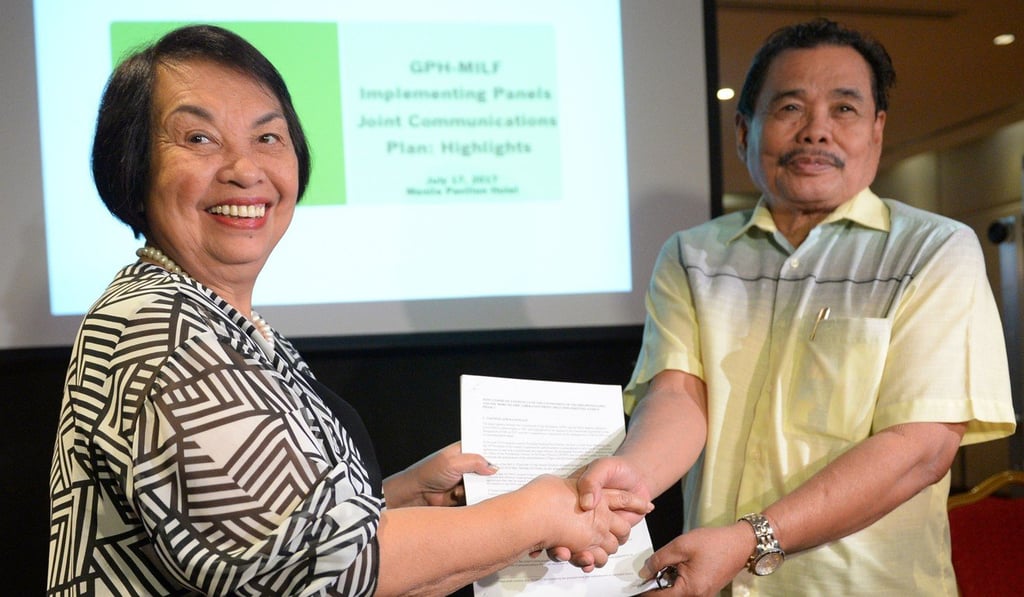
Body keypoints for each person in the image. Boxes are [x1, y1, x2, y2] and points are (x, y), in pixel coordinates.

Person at [47, 25, 650, 596]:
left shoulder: (218, 319)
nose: (245, 169)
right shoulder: (161, 331)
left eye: (268, 137)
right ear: (130, 164)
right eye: (199, 138)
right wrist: (539, 511)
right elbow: (328, 565)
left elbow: (294, 545)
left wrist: (403, 501)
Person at [568, 18, 1017, 596]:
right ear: (743, 129)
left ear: (877, 130)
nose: (816, 132)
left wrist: (750, 539)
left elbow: (920, 447)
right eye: (789, 109)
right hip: (716, 582)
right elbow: (679, 396)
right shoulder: (692, 255)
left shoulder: (933, 249)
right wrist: (632, 480)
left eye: (845, 110)